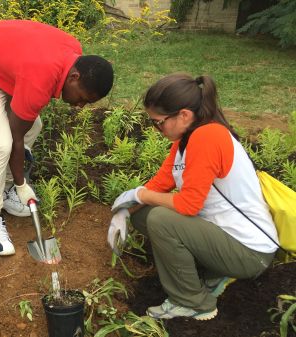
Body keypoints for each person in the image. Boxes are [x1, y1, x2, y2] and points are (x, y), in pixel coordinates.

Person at [107, 73, 278, 320]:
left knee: (161, 220)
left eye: (158, 122)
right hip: (228, 238)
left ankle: (193, 302)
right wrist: (126, 210)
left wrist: (139, 193)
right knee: (144, 215)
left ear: (184, 115)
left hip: (251, 253)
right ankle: (214, 272)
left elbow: (188, 205)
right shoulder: (186, 139)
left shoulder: (207, 137)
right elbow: (161, 183)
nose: (156, 129)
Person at [0, 19, 114, 256]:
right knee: (0, 143)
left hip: (2, 66)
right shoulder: (42, 77)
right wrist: (21, 182)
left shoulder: (72, 52)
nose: (80, 106)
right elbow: (16, 138)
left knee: (33, 126)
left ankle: (4, 190)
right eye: (82, 99)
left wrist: (16, 181)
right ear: (74, 77)